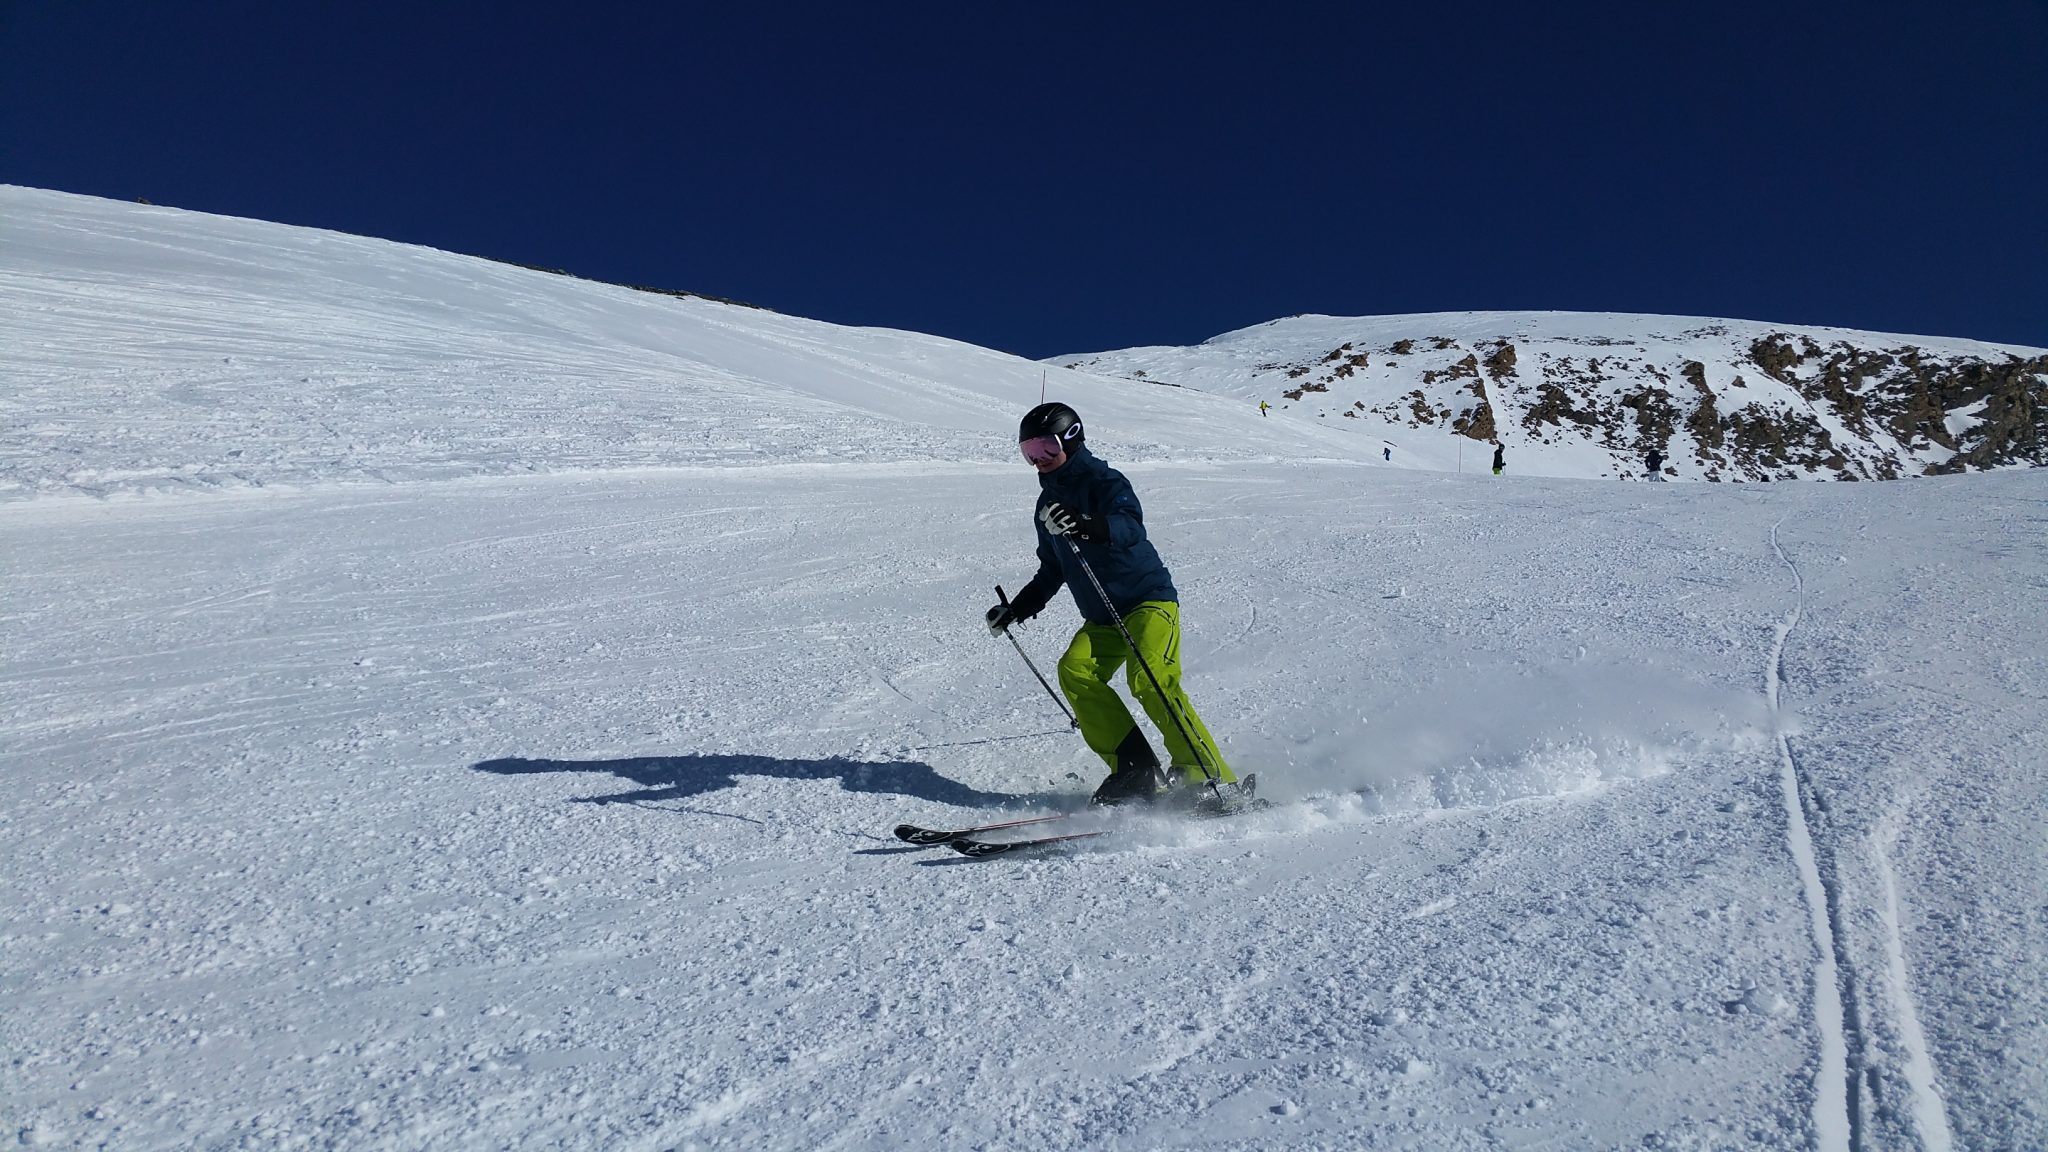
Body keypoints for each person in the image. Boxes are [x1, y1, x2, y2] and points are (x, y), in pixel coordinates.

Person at [985, 402, 1237, 806]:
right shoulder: (1045, 507)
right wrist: (1016, 608)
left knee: (1149, 673)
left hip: (1147, 600)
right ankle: (1135, 771)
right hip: (1103, 618)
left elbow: (1128, 525)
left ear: (1072, 439)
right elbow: (1052, 569)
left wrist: (1085, 524)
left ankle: (1206, 775)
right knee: (1075, 670)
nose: (1039, 462)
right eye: (1030, 453)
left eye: (1047, 450)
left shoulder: (1104, 481)